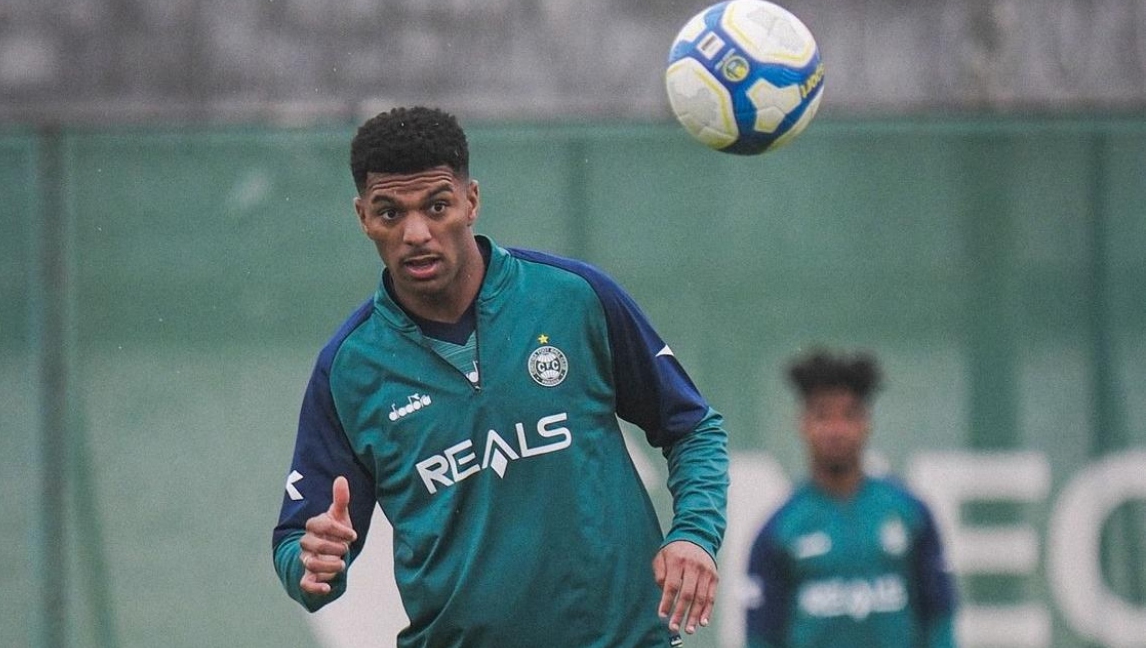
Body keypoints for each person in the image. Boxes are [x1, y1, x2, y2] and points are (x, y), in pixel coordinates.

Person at [272, 106, 729, 647]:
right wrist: (312, 563)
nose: (416, 233)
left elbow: (692, 429)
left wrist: (695, 534)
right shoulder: (348, 367)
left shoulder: (573, 298)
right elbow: (299, 543)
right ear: (363, 218)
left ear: (471, 201)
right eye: (390, 213)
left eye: (436, 206)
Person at [744, 349, 957, 648]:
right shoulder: (780, 529)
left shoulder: (909, 513)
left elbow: (940, 619)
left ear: (866, 422)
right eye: (823, 415)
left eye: (849, 415)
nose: (836, 429)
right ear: (803, 423)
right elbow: (761, 637)